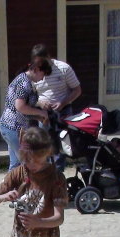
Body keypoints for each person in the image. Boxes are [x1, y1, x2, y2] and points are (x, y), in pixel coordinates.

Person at [31, 44, 83, 173]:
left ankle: (57, 175)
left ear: (48, 57)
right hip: (43, 114)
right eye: (37, 63)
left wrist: (63, 102)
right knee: (44, 145)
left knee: (60, 146)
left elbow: (77, 90)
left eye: (42, 62)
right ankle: (46, 175)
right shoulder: (33, 71)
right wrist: (40, 103)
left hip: (63, 111)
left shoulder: (63, 68)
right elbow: (30, 96)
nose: (40, 65)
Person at [0, 57, 51, 171]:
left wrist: (38, 116)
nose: (43, 78)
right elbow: (20, 106)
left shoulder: (26, 80)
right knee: (27, 163)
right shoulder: (24, 83)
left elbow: (24, 108)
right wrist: (41, 112)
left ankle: (7, 187)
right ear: (36, 69)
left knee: (15, 165)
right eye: (44, 74)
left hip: (11, 127)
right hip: (12, 127)